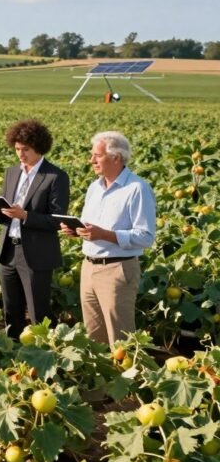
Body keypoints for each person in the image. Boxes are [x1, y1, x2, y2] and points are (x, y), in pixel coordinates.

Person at [61, 131, 156, 345]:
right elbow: (91, 227)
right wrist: (77, 231)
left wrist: (105, 235)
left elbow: (146, 236)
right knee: (93, 335)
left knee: (120, 338)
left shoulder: (137, 188)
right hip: (88, 267)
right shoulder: (94, 188)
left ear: (116, 158)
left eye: (97, 155)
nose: (91, 160)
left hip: (117, 270)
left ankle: (126, 369)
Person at [0, 120, 69, 339]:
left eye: (26, 149)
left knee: (38, 311)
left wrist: (26, 216)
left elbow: (57, 220)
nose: (20, 154)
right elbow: (7, 213)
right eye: (17, 149)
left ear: (39, 148)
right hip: (8, 250)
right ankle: (12, 350)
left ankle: (46, 351)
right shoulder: (12, 173)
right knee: (10, 310)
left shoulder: (55, 176)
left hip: (35, 253)